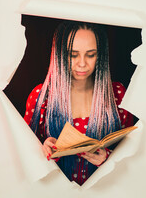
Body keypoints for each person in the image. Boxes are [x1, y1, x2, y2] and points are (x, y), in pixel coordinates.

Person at [23, 21, 134, 185]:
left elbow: (131, 154)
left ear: (101, 56)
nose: (82, 63)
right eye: (73, 55)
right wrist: (44, 149)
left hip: (104, 190)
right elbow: (23, 153)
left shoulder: (117, 94)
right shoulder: (41, 96)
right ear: (60, 54)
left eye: (91, 54)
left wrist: (107, 158)